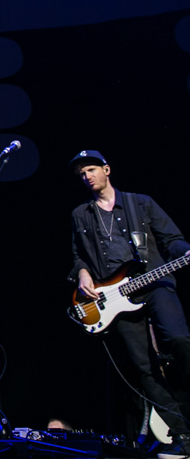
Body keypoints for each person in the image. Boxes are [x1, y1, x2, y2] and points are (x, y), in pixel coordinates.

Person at [69, 150, 190, 458]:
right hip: (115, 297)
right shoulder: (81, 214)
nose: (87, 176)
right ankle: (182, 434)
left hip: (153, 282)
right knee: (142, 367)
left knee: (177, 339)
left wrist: (183, 252)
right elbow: (78, 256)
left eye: (92, 169)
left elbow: (172, 239)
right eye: (82, 174)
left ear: (107, 169)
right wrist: (83, 275)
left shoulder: (141, 203)